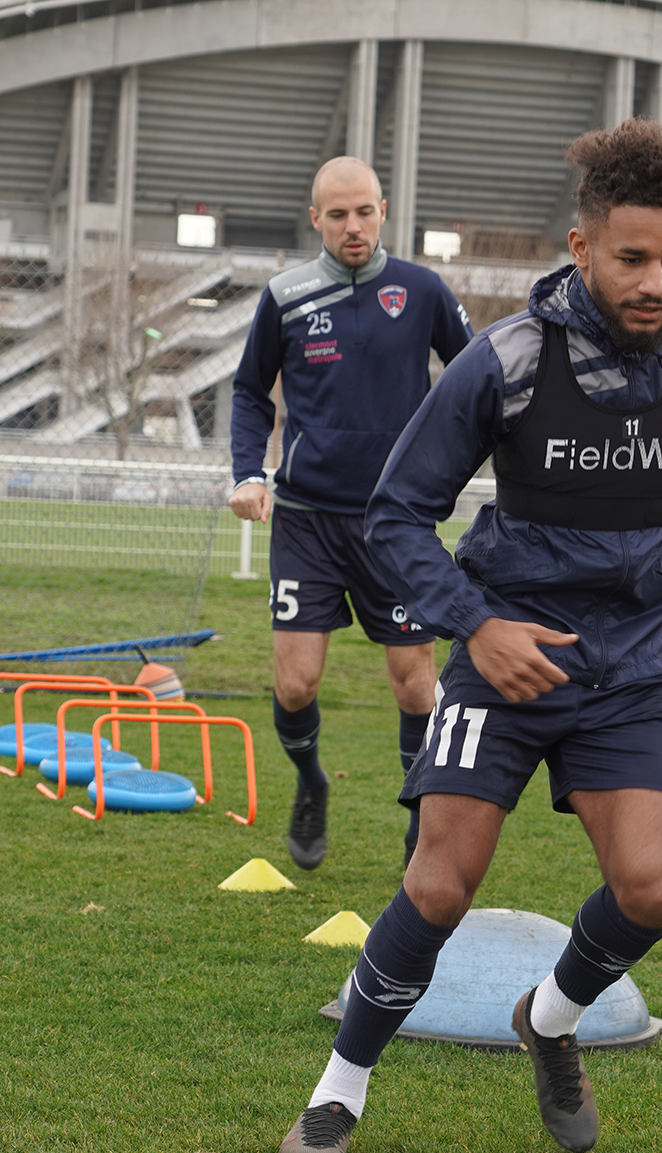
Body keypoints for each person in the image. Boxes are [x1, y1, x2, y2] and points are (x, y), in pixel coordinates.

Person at [276, 118, 662, 1153]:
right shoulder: (504, 360)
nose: (656, 283)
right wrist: (475, 625)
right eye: (632, 259)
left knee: (653, 889)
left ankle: (547, 1018)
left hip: (629, 666)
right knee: (441, 885)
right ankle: (338, 1090)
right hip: (501, 658)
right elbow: (397, 514)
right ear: (581, 248)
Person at [230, 158, 474, 870]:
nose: (353, 226)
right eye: (338, 215)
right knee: (296, 682)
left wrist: (453, 466)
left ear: (383, 210)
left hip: (394, 522)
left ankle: (418, 816)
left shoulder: (423, 290)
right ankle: (310, 784)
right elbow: (250, 392)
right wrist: (249, 472)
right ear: (317, 220)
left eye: (364, 211)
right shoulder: (286, 296)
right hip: (305, 517)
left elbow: (474, 378)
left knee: (414, 684)